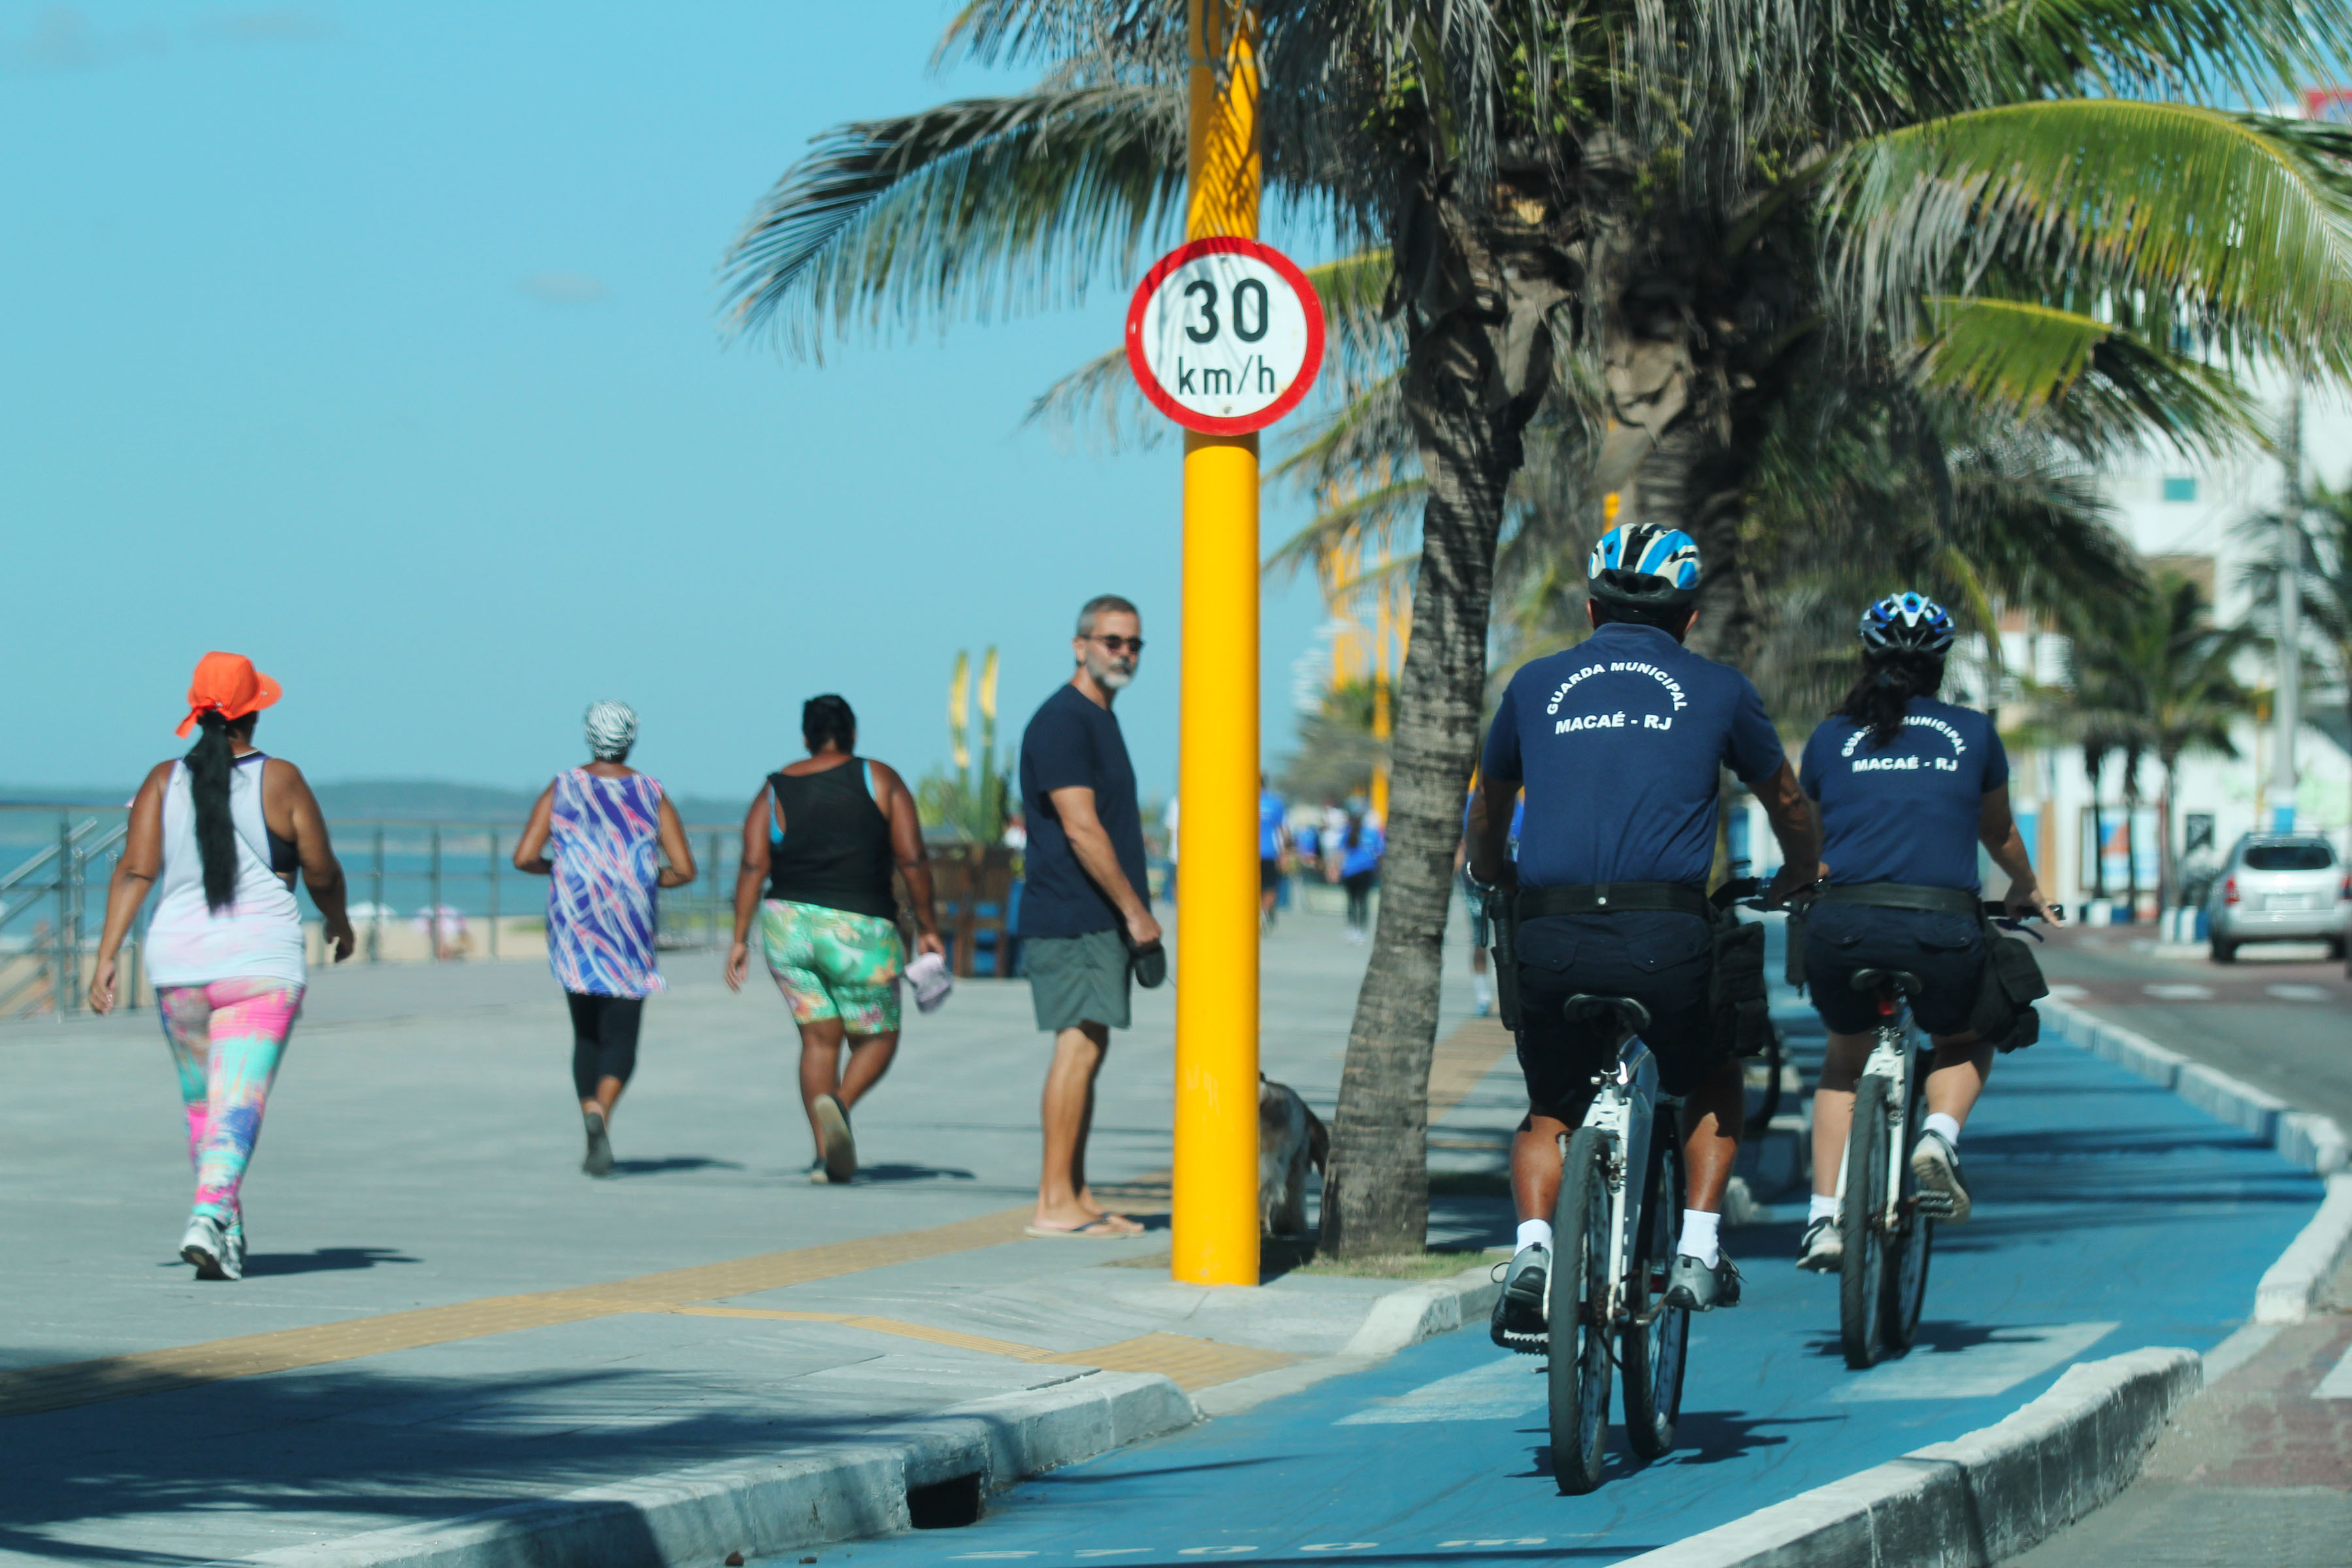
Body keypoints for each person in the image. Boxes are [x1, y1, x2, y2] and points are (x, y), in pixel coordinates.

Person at [1470, 524, 1820, 1345]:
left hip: (1551, 933)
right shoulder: (1720, 689)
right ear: (1689, 619)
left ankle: (1533, 1250)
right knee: (1713, 1071)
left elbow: (1490, 802)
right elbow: (1786, 799)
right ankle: (1698, 1247)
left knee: (1549, 1108)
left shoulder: (1535, 683)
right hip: (1665, 935)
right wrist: (1802, 873)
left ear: (1592, 609)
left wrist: (1494, 872)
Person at [1793, 593, 2063, 1268]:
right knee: (1965, 1036)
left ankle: (1823, 1220)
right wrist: (2026, 888)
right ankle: (1939, 1135)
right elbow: (1998, 831)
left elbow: (1816, 846)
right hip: (1940, 927)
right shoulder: (1972, 733)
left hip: (1844, 926)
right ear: (1941, 666)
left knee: (1844, 1062)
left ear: (1866, 659)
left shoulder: (1830, 738)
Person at [87, 653, 356, 1282]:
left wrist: (105, 957)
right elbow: (321, 869)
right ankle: (208, 1215)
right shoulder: (280, 778)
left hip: (178, 963)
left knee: (203, 1107)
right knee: (238, 1101)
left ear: (198, 712)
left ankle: (225, 1237)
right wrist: (338, 922)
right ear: (253, 713)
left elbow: (135, 871)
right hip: (259, 964)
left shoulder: (163, 780)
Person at [727, 695, 943, 1185]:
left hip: (787, 927)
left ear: (807, 737)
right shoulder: (879, 778)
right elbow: (912, 859)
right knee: (880, 1036)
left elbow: (753, 864)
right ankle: (840, 1106)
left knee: (818, 1040)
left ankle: (827, 1157)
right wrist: (929, 927)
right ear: (853, 734)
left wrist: (739, 938)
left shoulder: (775, 788)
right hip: (858, 929)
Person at [1016, 594, 1157, 1237]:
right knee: (1076, 1048)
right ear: (1080, 646)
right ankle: (1053, 1203)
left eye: (1133, 644)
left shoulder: (1099, 718)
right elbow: (1080, 827)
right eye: (1111, 641)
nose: (1124, 653)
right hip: (1073, 913)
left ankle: (1075, 1193)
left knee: (1090, 1047)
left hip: (1094, 917)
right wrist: (1135, 912)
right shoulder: (1063, 722)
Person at [512, 701, 697, 1178]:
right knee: (623, 1031)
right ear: (631, 738)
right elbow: (684, 869)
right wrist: (641, 879)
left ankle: (589, 1113)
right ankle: (602, 1110)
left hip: (574, 918)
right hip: (629, 923)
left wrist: (565, 870)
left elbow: (524, 856)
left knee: (586, 1031)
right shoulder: (650, 791)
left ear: (588, 735)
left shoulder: (563, 786)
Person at [1456, 787, 1524, 1017]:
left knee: (1511, 941)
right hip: (1475, 881)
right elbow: (1462, 844)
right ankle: (1483, 996)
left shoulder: (1517, 804)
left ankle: (1510, 994)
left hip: (1507, 881)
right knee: (1479, 940)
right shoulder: (1470, 803)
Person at [1339, 806, 1384, 943]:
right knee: (1363, 901)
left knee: (1351, 901)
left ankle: (1352, 929)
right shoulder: (1372, 833)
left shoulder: (1348, 832)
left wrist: (1336, 869)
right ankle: (1361, 930)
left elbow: (1340, 852)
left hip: (1350, 871)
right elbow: (1380, 852)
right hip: (1366, 871)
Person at [1258, 776, 1289, 930]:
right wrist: (1284, 854)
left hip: (1247, 854)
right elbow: (1283, 830)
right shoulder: (1275, 803)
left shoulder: (1238, 800)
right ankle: (1263, 913)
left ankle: (1258, 913)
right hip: (1270, 852)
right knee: (1270, 886)